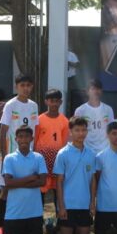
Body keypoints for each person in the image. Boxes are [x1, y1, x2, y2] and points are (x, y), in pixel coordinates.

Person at [0, 74, 40, 234]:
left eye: (28, 85)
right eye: (22, 85)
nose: (25, 88)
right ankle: (0, 225)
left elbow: (36, 130)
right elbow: (3, 131)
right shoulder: (10, 105)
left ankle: (25, 223)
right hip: (12, 155)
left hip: (29, 156)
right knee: (6, 189)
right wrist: (5, 155)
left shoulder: (34, 105)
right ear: (17, 87)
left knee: (28, 187)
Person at [0, 126, 47, 234]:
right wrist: (31, 178)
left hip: (34, 213)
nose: (24, 139)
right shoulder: (9, 158)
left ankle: (48, 227)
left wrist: (17, 183)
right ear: (16, 139)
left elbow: (42, 182)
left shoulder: (38, 157)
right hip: (14, 213)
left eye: (27, 136)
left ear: (32, 138)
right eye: (20, 137)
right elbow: (8, 183)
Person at [54, 116, 96, 234]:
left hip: (84, 203)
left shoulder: (91, 154)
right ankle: (50, 227)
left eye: (83, 130)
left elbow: (93, 180)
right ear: (70, 132)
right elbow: (59, 181)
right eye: (77, 130)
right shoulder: (63, 153)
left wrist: (92, 203)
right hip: (68, 204)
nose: (81, 133)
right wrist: (61, 206)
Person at [34, 89, 70, 217]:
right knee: (41, 191)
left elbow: (65, 143)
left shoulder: (65, 121)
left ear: (60, 102)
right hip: (42, 161)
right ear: (46, 102)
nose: (54, 104)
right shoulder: (39, 119)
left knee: (57, 190)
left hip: (57, 161)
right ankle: (38, 219)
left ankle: (60, 218)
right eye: (51, 101)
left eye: (56, 101)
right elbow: (35, 140)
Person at [74, 79, 115, 153]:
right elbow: (76, 131)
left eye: (98, 89)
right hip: (87, 150)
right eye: (93, 89)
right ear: (87, 91)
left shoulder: (108, 109)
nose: (96, 91)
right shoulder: (80, 110)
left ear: (101, 91)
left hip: (104, 150)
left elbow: (112, 130)